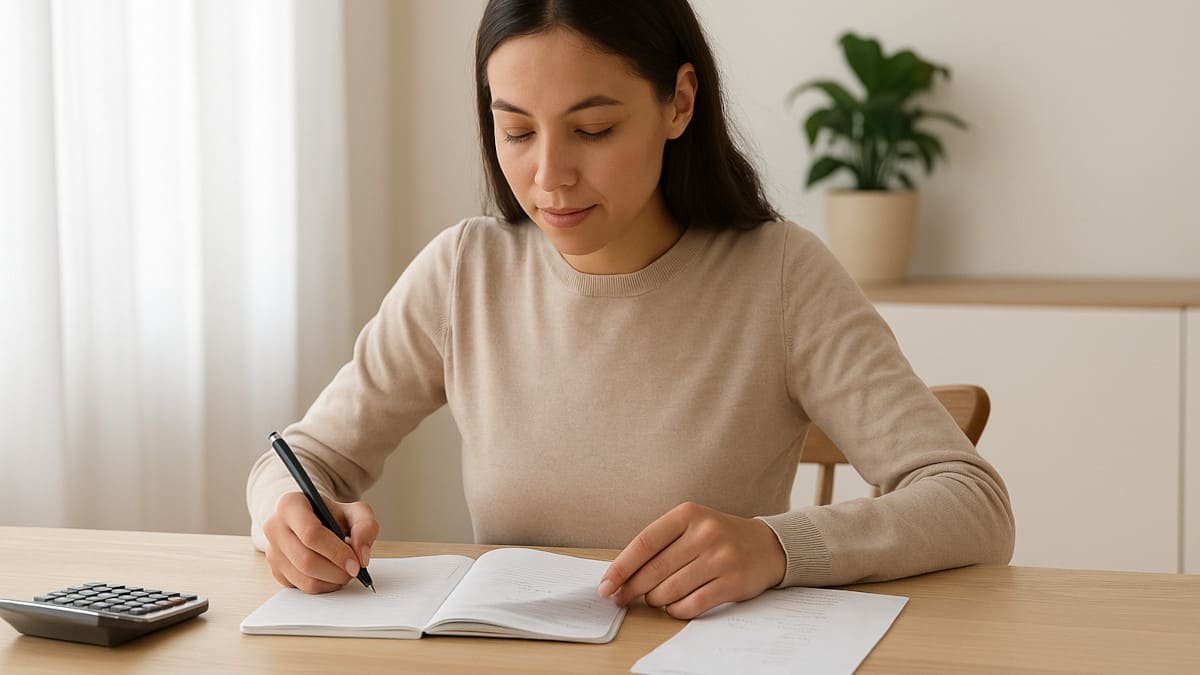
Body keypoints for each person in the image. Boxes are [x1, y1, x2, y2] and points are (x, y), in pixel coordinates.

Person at [245, 0, 1014, 621]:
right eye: (516, 130)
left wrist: (777, 547)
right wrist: (288, 513)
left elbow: (971, 501)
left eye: (593, 129)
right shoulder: (464, 271)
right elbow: (301, 458)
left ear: (679, 102)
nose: (549, 175)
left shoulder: (780, 274)